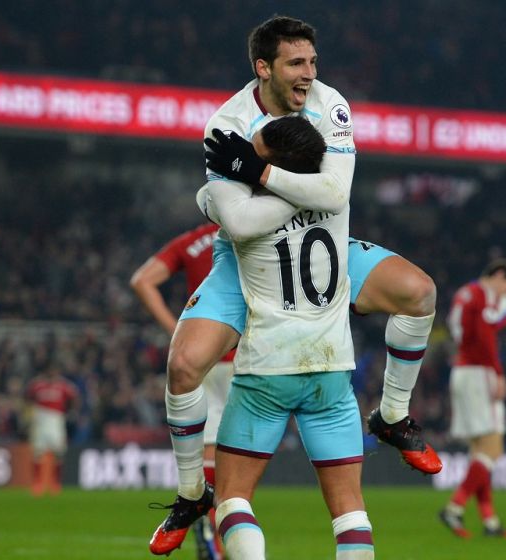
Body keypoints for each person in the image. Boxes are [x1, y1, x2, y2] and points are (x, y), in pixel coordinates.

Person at [149, 16, 439, 556]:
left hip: (326, 246)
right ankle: (192, 494)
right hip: (245, 262)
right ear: (264, 68)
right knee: (184, 366)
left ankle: (392, 415)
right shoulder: (226, 122)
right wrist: (268, 193)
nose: (309, 74)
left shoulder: (330, 105)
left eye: (312, 62)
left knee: (420, 293)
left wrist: (250, 176)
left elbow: (335, 194)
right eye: (296, 64)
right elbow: (240, 227)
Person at [213, 115, 372, 559]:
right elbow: (318, 189)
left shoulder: (247, 214)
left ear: (272, 163)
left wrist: (244, 173)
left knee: (232, 497)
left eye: (254, 147)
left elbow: (220, 205)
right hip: (332, 368)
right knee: (349, 509)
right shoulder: (338, 205)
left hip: (268, 366)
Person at [131, 222, 232, 559]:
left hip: (202, 358)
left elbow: (142, 281)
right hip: (247, 356)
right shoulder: (259, 226)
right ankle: (224, 536)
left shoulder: (192, 242)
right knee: (237, 460)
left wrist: (178, 333)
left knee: (206, 455)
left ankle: (208, 531)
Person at [439, 258, 506, 538]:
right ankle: (455, 507)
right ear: (498, 276)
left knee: (479, 450)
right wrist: (498, 373)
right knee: (494, 447)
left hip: (461, 371)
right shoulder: (483, 296)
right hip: (480, 373)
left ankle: (490, 521)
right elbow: (485, 337)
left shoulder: (464, 293)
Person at [25, 361, 79, 496]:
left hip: (56, 420)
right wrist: (29, 413)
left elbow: (75, 397)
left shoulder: (64, 385)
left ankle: (55, 483)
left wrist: (71, 412)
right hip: (40, 420)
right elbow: (27, 397)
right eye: (50, 371)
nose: (52, 373)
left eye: (55, 371)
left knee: (58, 452)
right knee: (38, 452)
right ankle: (37, 483)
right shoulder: (37, 385)